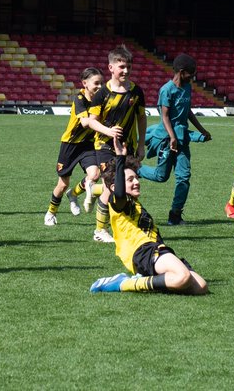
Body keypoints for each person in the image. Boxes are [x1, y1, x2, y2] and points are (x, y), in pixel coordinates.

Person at [89, 136, 209, 295]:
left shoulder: (134, 203)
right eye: (130, 179)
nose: (136, 182)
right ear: (115, 186)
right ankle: (124, 283)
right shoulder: (118, 203)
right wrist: (120, 158)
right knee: (182, 277)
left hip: (154, 250)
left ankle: (144, 278)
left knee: (200, 286)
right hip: (142, 251)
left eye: (137, 178)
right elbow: (117, 192)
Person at [138, 53, 212, 225]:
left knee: (184, 177)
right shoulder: (166, 90)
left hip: (182, 139)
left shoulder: (187, 87)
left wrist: (202, 130)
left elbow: (188, 112)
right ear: (181, 71)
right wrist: (172, 137)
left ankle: (175, 215)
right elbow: (164, 116)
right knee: (161, 176)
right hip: (167, 140)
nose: (193, 76)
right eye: (190, 73)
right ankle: (136, 169)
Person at [44, 67, 120, 227]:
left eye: (102, 83)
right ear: (84, 83)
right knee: (63, 184)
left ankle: (74, 194)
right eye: (96, 83)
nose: (100, 87)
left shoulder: (101, 99)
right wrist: (108, 130)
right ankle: (51, 212)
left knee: (94, 175)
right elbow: (86, 123)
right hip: (70, 145)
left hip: (88, 145)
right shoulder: (79, 99)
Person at [90, 45, 147, 244]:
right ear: (111, 68)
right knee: (111, 186)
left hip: (128, 147)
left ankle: (92, 189)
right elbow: (92, 120)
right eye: (121, 66)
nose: (125, 70)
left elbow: (141, 118)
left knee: (128, 184)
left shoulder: (137, 91)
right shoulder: (102, 94)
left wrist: (141, 144)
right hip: (105, 146)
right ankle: (99, 230)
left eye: (128, 66)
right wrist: (109, 131)